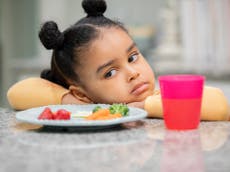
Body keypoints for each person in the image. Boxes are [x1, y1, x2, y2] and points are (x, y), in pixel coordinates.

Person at [7, 0, 229, 121]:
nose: (132, 72)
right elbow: (17, 92)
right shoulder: (93, 106)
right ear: (82, 93)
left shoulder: (157, 97)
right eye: (110, 72)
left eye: (132, 57)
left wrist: (142, 106)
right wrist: (86, 105)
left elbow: (219, 105)